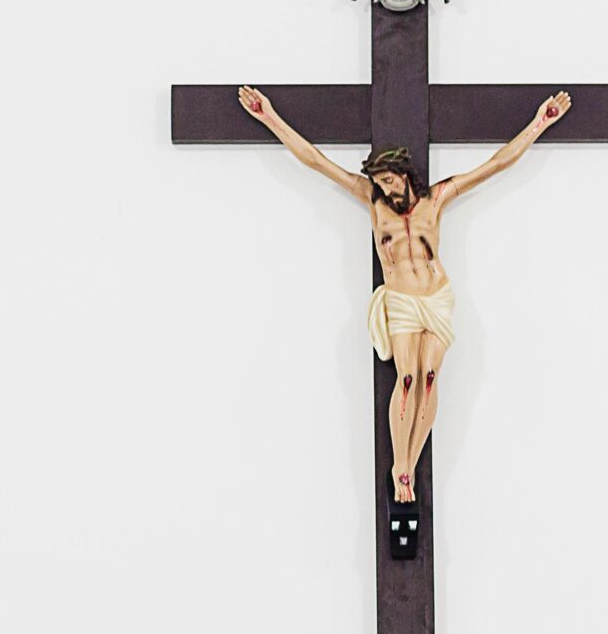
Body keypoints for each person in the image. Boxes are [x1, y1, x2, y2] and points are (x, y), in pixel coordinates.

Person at [235, 83, 573, 548]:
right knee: (408, 379)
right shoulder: (372, 204)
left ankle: (409, 466)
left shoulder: (435, 200)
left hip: (435, 298)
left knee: (431, 378)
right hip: (399, 301)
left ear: (403, 174)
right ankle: (401, 467)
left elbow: (496, 164)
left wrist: (540, 123)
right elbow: (315, 160)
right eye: (379, 182)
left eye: (389, 179)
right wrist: (269, 118)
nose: (384, 186)